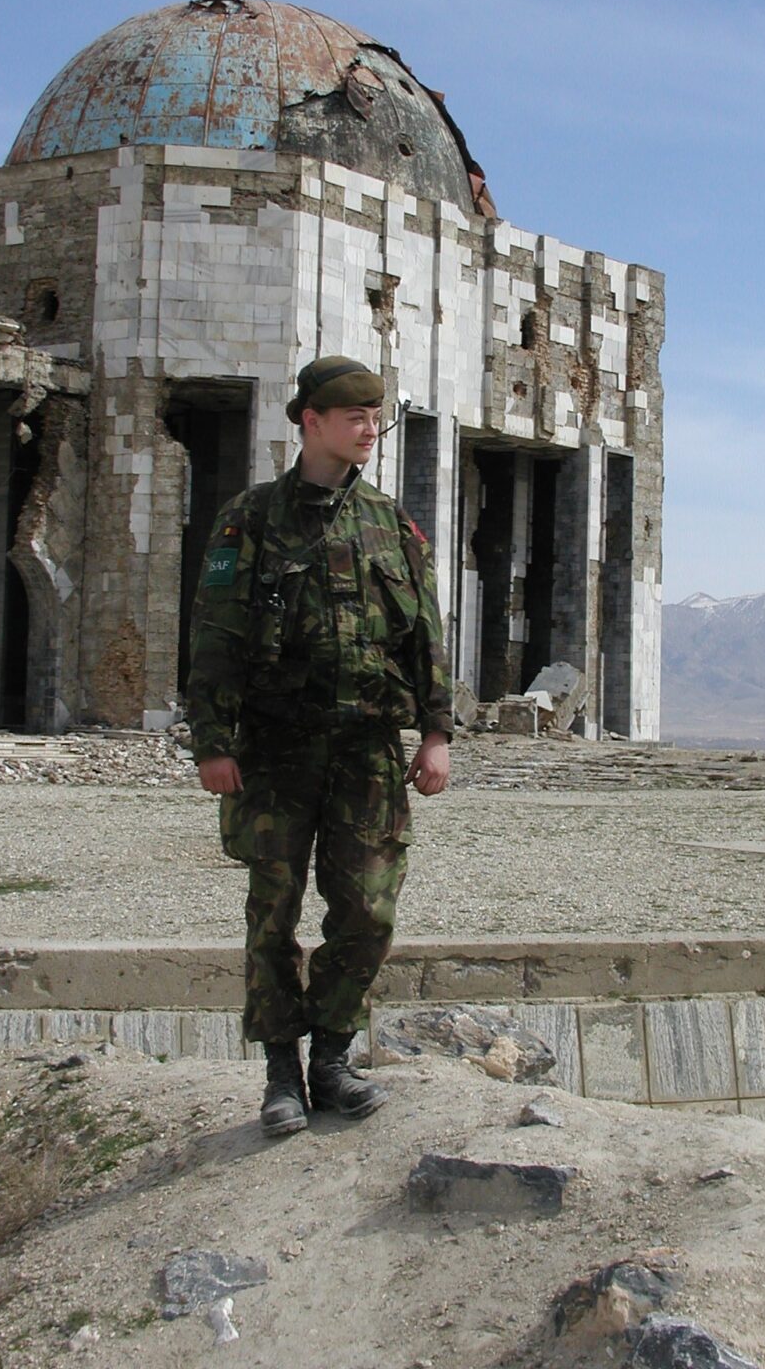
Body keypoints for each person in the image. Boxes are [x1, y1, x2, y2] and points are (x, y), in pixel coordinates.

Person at [186, 356, 452, 1137]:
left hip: (366, 750)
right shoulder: (253, 518)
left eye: (376, 418)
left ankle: (333, 1057)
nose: (370, 431)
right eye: (355, 419)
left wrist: (435, 733)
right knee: (273, 913)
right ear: (311, 422)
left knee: (367, 911)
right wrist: (210, 742)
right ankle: (280, 1072)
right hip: (273, 749)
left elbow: (427, 638)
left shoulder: (391, 522)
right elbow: (216, 637)